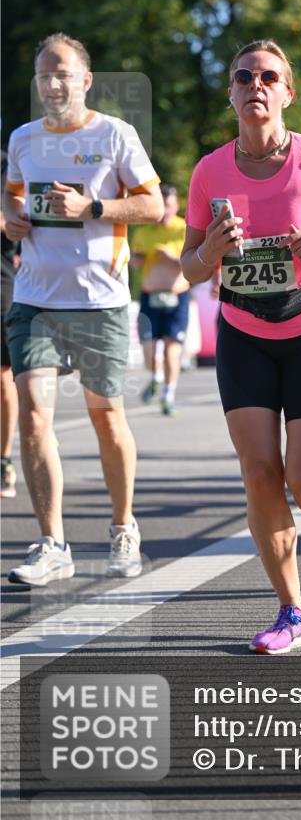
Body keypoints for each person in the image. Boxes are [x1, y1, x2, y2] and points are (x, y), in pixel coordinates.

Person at [181, 40, 301, 655]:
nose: (256, 85)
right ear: (232, 92)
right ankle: (291, 612)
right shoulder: (209, 170)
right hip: (244, 334)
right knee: (260, 475)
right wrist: (210, 250)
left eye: (270, 77)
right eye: (244, 76)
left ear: (287, 93)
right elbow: (189, 267)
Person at [3, 33, 163, 585]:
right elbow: (13, 195)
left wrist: (93, 205)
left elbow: (154, 203)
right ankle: (52, 542)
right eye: (44, 74)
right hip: (35, 299)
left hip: (100, 301)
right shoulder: (23, 138)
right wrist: (11, 217)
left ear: (85, 80)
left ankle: (123, 527)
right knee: (34, 416)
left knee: (107, 418)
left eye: (63, 73)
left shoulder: (115, 134)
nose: (52, 83)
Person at [131, 183, 190, 415]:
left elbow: (193, 262)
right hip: (150, 297)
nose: (165, 210)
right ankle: (155, 377)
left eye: (169, 205)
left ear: (175, 206)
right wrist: (137, 258)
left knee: (170, 351)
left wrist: (173, 257)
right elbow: (135, 260)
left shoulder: (184, 229)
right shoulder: (144, 231)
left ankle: (169, 394)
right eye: (162, 205)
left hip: (177, 296)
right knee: (149, 350)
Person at [1, 149, 19, 498]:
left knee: (3, 376)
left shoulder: (10, 160)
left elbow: (19, 220)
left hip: (1, 279)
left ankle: (3, 458)